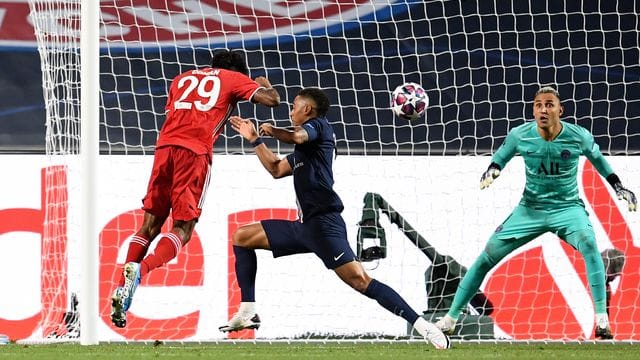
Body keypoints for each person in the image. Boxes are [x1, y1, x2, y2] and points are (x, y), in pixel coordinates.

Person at [220, 87, 450, 350]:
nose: (291, 109)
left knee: (361, 281)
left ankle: (423, 327)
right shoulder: (305, 152)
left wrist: (272, 130)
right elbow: (275, 168)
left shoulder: (320, 126)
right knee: (242, 236)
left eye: (294, 105)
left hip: (325, 226)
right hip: (305, 226)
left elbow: (298, 136)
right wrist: (254, 140)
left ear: (307, 109)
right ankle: (248, 310)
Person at [435, 86, 637, 340]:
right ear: (533, 110)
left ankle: (602, 319)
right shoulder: (520, 135)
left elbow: (600, 162)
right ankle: (451, 318)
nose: (543, 109)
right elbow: (500, 157)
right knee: (487, 256)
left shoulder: (579, 136)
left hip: (567, 209)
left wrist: (619, 187)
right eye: (538, 105)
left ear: (560, 110)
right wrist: (492, 170)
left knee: (589, 245)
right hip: (529, 210)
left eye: (549, 104)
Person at [109, 49, 281, 328]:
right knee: (183, 229)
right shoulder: (232, 79)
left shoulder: (181, 78)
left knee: (149, 226)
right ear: (239, 72)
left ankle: (121, 288)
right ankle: (142, 270)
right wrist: (263, 85)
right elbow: (272, 101)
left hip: (164, 149)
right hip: (194, 153)